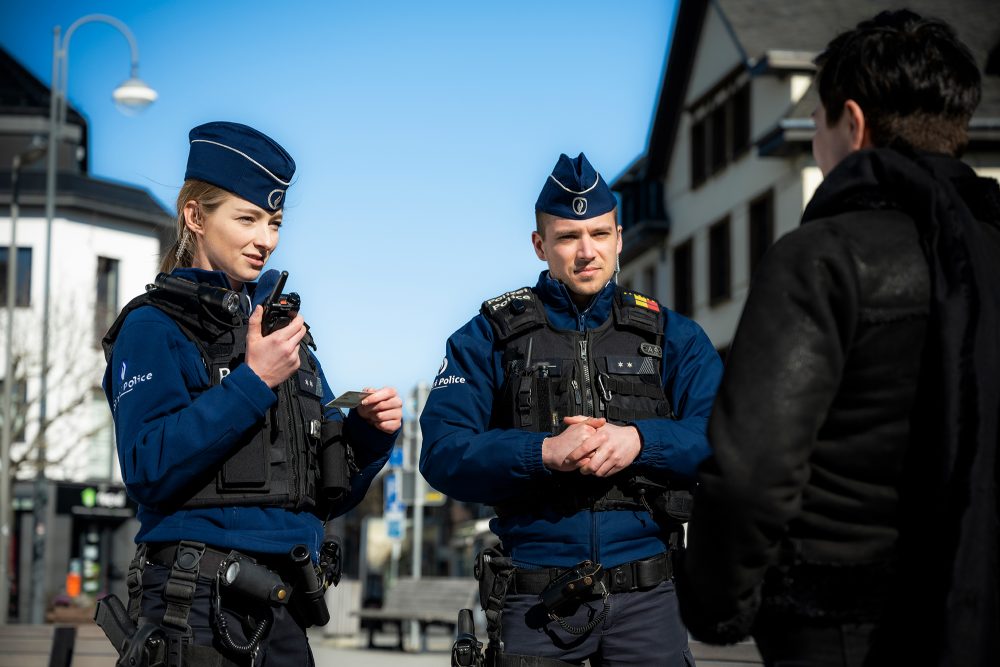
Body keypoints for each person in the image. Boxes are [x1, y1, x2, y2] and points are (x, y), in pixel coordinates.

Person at [677, 10, 1000, 666]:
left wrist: (715, 603)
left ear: (851, 123)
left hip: (841, 626)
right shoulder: (988, 249)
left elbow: (753, 470)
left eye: (818, 125)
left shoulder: (821, 258)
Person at [100, 121, 402, 666]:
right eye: (248, 219)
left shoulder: (285, 332)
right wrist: (253, 382)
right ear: (195, 216)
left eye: (275, 221)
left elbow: (326, 495)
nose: (266, 239)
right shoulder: (153, 328)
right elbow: (147, 466)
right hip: (191, 601)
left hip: (285, 601)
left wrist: (371, 436)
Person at [420, 152, 722, 666]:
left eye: (600, 235)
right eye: (567, 237)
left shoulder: (675, 336)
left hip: (650, 598)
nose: (587, 251)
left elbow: (721, 438)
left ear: (619, 238)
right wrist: (543, 453)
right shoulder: (487, 337)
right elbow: (443, 452)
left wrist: (640, 442)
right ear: (540, 245)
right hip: (537, 601)